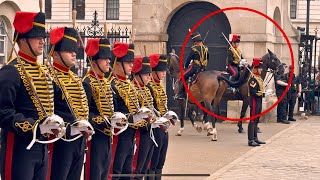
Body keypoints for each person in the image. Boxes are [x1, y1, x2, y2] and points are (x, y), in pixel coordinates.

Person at [0, 11, 62, 180]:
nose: (42, 41)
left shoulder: (44, 72)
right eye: (36, 37)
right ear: (22, 39)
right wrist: (34, 127)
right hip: (20, 146)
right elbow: (3, 112)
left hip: (42, 146)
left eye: (43, 36)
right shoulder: (11, 71)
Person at [48, 27, 93, 180]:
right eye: (68, 50)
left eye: (74, 50)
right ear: (55, 53)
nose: (74, 53)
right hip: (60, 141)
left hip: (79, 141)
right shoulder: (49, 77)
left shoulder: (75, 78)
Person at [110, 42, 149, 180]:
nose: (132, 65)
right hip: (119, 137)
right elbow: (112, 113)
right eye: (128, 62)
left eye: (131, 62)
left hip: (131, 136)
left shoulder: (129, 85)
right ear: (117, 63)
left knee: (127, 173)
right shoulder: (112, 85)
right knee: (116, 172)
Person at [82, 38, 113, 180]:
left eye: (109, 59)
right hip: (95, 138)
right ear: (94, 61)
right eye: (104, 59)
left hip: (107, 137)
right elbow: (84, 114)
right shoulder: (87, 83)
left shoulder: (106, 82)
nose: (108, 62)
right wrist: (103, 120)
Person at [131, 56, 155, 180]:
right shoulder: (133, 89)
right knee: (137, 169)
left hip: (149, 131)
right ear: (138, 75)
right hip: (140, 133)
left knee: (145, 167)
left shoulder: (146, 89)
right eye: (146, 74)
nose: (149, 77)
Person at [148, 54, 170, 180]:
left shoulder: (159, 87)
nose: (164, 73)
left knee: (161, 161)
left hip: (164, 127)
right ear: (153, 71)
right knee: (153, 161)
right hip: (156, 128)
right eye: (161, 70)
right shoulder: (150, 87)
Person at [176, 32, 209, 99]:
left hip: (195, 68)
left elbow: (188, 59)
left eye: (194, 42)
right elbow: (207, 58)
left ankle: (180, 94)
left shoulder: (194, 49)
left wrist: (185, 66)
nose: (194, 43)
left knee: (181, 78)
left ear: (196, 41)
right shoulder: (206, 48)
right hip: (203, 69)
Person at [247, 58, 266, 147]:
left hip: (259, 100)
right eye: (260, 68)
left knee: (256, 120)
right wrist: (262, 93)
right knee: (252, 120)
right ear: (256, 68)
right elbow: (253, 92)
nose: (261, 70)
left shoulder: (258, 78)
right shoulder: (253, 79)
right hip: (254, 100)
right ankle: (250, 140)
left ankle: (255, 138)